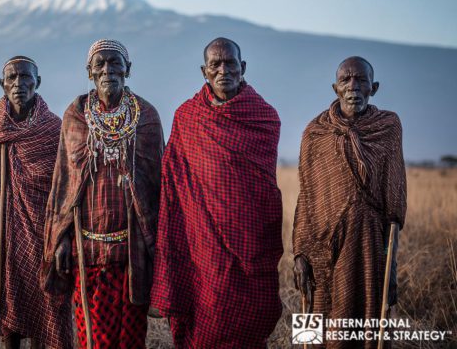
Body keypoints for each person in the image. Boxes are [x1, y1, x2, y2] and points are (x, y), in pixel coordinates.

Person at [151, 38, 283, 348]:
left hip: (249, 243)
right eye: (215, 64)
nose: (223, 70)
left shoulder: (263, 117)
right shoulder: (187, 117)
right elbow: (174, 184)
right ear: (204, 71)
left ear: (243, 67)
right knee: (206, 322)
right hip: (201, 245)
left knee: (248, 320)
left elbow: (265, 191)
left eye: (230, 63)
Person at [43, 39, 163, 349]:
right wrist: (62, 238)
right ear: (90, 72)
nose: (108, 69)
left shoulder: (146, 117)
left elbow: (155, 189)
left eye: (115, 62)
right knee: (94, 339)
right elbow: (64, 185)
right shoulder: (76, 115)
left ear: (128, 69)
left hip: (133, 250)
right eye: (100, 63)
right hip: (88, 250)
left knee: (131, 339)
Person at [292, 56, 406, 348]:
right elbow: (306, 196)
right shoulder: (315, 133)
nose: (353, 86)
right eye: (345, 80)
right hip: (321, 249)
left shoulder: (388, 126)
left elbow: (394, 199)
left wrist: (391, 265)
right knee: (316, 328)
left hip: (369, 246)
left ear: (373, 88)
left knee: (369, 323)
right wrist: (299, 254)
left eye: (361, 80)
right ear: (335, 88)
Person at [0, 56, 73, 349]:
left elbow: (63, 184)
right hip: (0, 231)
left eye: (25, 77)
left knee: (43, 304)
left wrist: (63, 234)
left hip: (41, 231)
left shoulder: (52, 128)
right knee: (7, 303)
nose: (18, 84)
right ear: (2, 84)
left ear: (37, 82)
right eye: (12, 78)